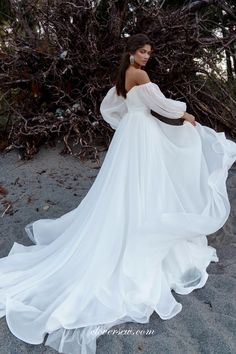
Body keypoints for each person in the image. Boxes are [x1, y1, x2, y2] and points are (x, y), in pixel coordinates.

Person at [0, 33, 236, 354]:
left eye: (149, 52)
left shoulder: (122, 77)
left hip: (130, 135)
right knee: (144, 186)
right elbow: (160, 105)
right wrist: (185, 115)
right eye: (142, 51)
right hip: (141, 135)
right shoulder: (139, 74)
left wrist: (129, 121)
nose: (146, 56)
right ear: (132, 52)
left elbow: (109, 106)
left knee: (126, 188)